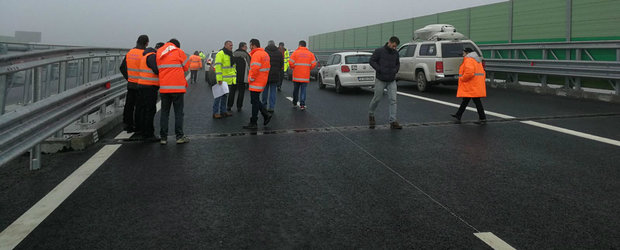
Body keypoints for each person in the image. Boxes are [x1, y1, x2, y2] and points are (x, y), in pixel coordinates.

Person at [156, 38, 190, 144]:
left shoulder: (159, 52)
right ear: (177, 46)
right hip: (178, 88)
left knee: (165, 113)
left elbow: (157, 68)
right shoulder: (179, 52)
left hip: (164, 88)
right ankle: (179, 137)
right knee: (178, 113)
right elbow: (186, 67)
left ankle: (163, 138)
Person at [368, 36, 402, 129]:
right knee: (377, 99)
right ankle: (371, 115)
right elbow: (371, 60)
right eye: (393, 46)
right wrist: (379, 69)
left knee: (393, 100)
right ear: (389, 42)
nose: (394, 48)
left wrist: (395, 70)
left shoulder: (396, 53)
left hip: (391, 80)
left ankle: (393, 121)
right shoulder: (379, 51)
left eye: (396, 47)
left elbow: (397, 63)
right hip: (380, 79)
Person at [135, 42, 164, 141]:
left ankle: (143, 131)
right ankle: (148, 134)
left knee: (143, 109)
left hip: (142, 85)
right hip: (149, 87)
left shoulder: (145, 55)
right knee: (150, 110)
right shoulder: (152, 57)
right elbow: (156, 70)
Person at [119, 34, 148, 133]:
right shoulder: (144, 54)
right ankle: (138, 126)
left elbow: (122, 67)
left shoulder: (130, 52)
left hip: (131, 84)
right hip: (141, 84)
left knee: (129, 105)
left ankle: (127, 125)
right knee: (139, 106)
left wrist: (129, 78)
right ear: (146, 43)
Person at [451, 47, 487, 124]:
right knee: (466, 100)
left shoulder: (469, 60)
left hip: (471, 84)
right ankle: (458, 115)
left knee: (476, 101)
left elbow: (469, 73)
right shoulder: (477, 60)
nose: (463, 54)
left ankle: (483, 118)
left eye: (463, 53)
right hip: (475, 83)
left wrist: (462, 79)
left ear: (467, 53)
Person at [243, 39, 272, 130]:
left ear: (254, 45)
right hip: (262, 80)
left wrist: (250, 79)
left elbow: (255, 68)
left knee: (254, 102)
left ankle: (254, 122)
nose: (250, 47)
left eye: (250, 45)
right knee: (255, 100)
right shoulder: (265, 54)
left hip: (255, 81)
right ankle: (265, 114)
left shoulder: (256, 54)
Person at [288, 40, 316, 111]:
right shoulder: (310, 54)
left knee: (296, 90)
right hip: (305, 76)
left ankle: (294, 103)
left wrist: (294, 67)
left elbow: (290, 62)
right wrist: (308, 68)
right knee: (303, 90)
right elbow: (314, 64)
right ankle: (302, 105)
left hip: (296, 75)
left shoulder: (295, 53)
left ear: (300, 45)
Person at [213, 40, 236, 118]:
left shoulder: (231, 54)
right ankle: (215, 112)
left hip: (229, 80)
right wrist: (219, 79)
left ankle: (223, 111)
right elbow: (218, 67)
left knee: (225, 96)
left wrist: (234, 78)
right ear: (225, 45)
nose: (231, 47)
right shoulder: (220, 54)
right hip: (222, 79)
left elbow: (232, 68)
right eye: (230, 45)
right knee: (218, 96)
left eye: (232, 45)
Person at [262, 40, 283, 113]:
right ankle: (272, 107)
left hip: (265, 74)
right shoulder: (279, 53)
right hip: (275, 75)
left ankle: (264, 106)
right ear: (274, 45)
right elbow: (281, 65)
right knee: (273, 91)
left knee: (265, 91)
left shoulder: (264, 52)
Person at [231, 42, 250, 112]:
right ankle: (239, 106)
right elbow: (249, 64)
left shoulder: (233, 54)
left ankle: (229, 106)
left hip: (233, 76)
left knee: (232, 91)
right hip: (242, 76)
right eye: (245, 46)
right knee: (241, 92)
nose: (246, 48)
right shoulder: (246, 55)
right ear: (242, 47)